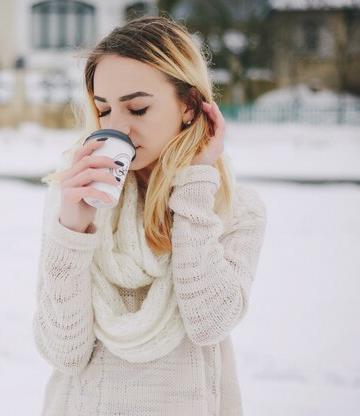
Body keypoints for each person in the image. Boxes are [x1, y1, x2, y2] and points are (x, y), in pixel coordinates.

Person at [32, 16, 267, 415]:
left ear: (190, 106)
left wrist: (195, 185)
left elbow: (209, 321)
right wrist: (72, 230)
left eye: (137, 108)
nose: (116, 127)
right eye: (104, 110)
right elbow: (64, 353)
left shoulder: (235, 209)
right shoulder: (75, 198)